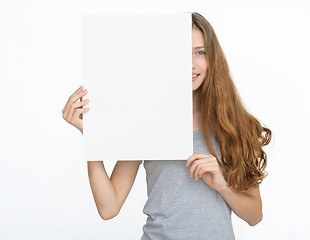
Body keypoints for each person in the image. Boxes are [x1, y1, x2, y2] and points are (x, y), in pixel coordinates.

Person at [62, 12, 272, 240]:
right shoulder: (147, 119)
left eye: (200, 52)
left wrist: (221, 185)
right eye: (181, 54)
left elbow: (255, 216)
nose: (191, 64)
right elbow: (108, 207)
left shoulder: (235, 125)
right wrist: (91, 136)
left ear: (213, 58)